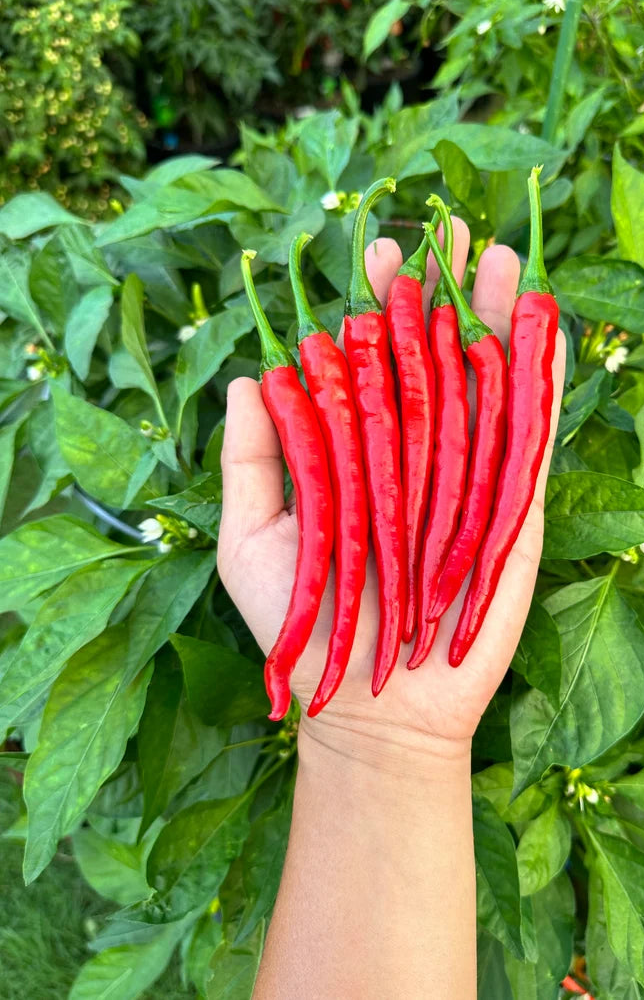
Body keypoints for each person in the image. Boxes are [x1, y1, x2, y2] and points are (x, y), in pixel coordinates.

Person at [218, 216, 565, 1000]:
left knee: (479, 460)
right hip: (385, 722)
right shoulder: (349, 361)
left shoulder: (432, 345)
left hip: (403, 712)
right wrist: (379, 745)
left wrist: (388, 748)